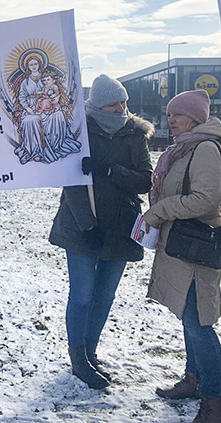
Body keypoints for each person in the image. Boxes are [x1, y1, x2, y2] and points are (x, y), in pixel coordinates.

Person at [49, 74, 153, 389]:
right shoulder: (79, 131)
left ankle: (91, 351)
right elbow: (72, 185)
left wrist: (110, 170)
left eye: (123, 101)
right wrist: (87, 225)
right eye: (113, 103)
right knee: (81, 295)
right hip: (83, 227)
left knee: (104, 295)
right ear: (97, 104)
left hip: (121, 226)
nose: (121, 108)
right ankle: (78, 357)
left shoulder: (135, 133)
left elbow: (144, 180)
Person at [143, 89, 221, 423]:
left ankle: (213, 402)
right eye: (168, 116)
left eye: (176, 115)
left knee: (199, 324)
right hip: (182, 247)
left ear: (193, 117)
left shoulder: (205, 148)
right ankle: (193, 379)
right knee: (188, 317)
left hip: (197, 250)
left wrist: (161, 210)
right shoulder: (184, 148)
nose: (171, 121)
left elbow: (206, 199)